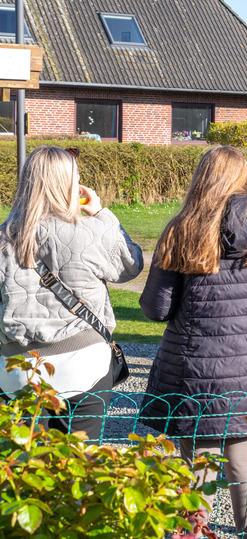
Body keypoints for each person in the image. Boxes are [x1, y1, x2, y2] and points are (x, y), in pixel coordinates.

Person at [139, 146, 247, 539]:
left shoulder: (183, 229)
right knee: (245, 463)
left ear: (202, 178)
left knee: (200, 464)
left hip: (196, 367)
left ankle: (195, 533)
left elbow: (157, 309)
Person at [0, 146, 143, 441]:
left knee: (26, 470)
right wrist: (102, 213)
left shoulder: (3, 237)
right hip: (82, 364)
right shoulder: (92, 231)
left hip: (17, 370)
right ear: (70, 184)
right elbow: (131, 265)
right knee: (79, 464)